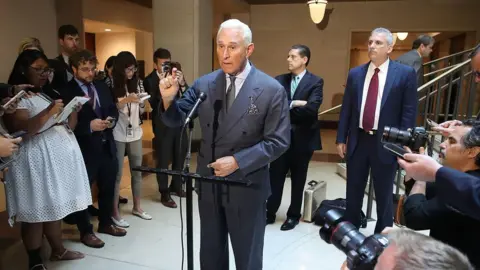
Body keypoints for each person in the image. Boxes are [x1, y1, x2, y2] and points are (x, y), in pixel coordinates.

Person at [159, 19, 290, 270]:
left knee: (247, 257)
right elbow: (178, 120)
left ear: (249, 49)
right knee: (210, 254)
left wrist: (239, 161)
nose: (225, 54)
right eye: (220, 46)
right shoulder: (204, 84)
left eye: (232, 47)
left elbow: (278, 141)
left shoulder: (271, 90)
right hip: (209, 184)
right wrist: (168, 100)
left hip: (246, 186)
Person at [4, 49, 90, 269]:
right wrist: (51, 110)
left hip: (52, 162)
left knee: (53, 208)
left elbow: (68, 127)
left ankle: (58, 250)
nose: (44, 74)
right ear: (23, 69)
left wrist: (72, 111)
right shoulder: (18, 98)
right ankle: (34, 261)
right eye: (38, 69)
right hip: (32, 162)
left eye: (46, 70)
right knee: (35, 212)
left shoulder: (44, 92)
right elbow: (24, 129)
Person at [336, 27, 418, 233]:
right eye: (370, 42)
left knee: (383, 192)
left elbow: (409, 111)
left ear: (390, 47)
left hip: (387, 142)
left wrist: (403, 143)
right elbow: (347, 109)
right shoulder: (355, 74)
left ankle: (383, 234)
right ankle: (350, 229)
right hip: (358, 139)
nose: (372, 45)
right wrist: (340, 138)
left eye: (378, 43)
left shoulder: (405, 74)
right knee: (353, 189)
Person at [60, 49, 126, 249]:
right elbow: (62, 123)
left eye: (92, 68)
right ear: (74, 69)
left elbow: (113, 108)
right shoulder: (66, 90)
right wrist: (88, 126)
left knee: (108, 186)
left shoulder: (101, 86)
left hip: (107, 144)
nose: (90, 73)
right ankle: (85, 231)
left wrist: (111, 121)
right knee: (82, 190)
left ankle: (105, 223)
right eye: (84, 69)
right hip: (83, 148)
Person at [267, 44, 323, 230]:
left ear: (304, 59)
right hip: (280, 139)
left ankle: (293, 215)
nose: (288, 60)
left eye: (293, 56)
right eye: (288, 56)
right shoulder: (279, 80)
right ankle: (270, 211)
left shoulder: (316, 82)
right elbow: (274, 106)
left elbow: (311, 110)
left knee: (299, 179)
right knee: (275, 177)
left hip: (303, 139)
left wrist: (287, 108)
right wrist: (295, 104)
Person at [107, 51, 151, 228]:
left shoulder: (137, 83)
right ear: (120, 69)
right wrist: (127, 99)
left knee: (137, 171)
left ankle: (137, 207)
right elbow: (112, 107)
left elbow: (140, 110)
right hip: (118, 132)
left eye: (133, 69)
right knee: (117, 174)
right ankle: (114, 212)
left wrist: (141, 102)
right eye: (128, 69)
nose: (131, 73)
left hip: (135, 131)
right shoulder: (111, 83)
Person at [144, 48, 188, 208]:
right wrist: (162, 84)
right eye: (163, 64)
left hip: (179, 122)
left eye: (168, 63)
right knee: (163, 159)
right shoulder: (149, 80)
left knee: (180, 154)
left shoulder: (175, 75)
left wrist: (182, 83)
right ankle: (164, 192)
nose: (166, 67)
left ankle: (176, 185)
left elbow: (187, 96)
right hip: (162, 125)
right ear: (155, 65)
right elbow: (156, 104)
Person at [50, 24, 80, 91]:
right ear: (61, 41)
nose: (75, 43)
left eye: (77, 39)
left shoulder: (83, 62)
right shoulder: (54, 64)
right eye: (70, 39)